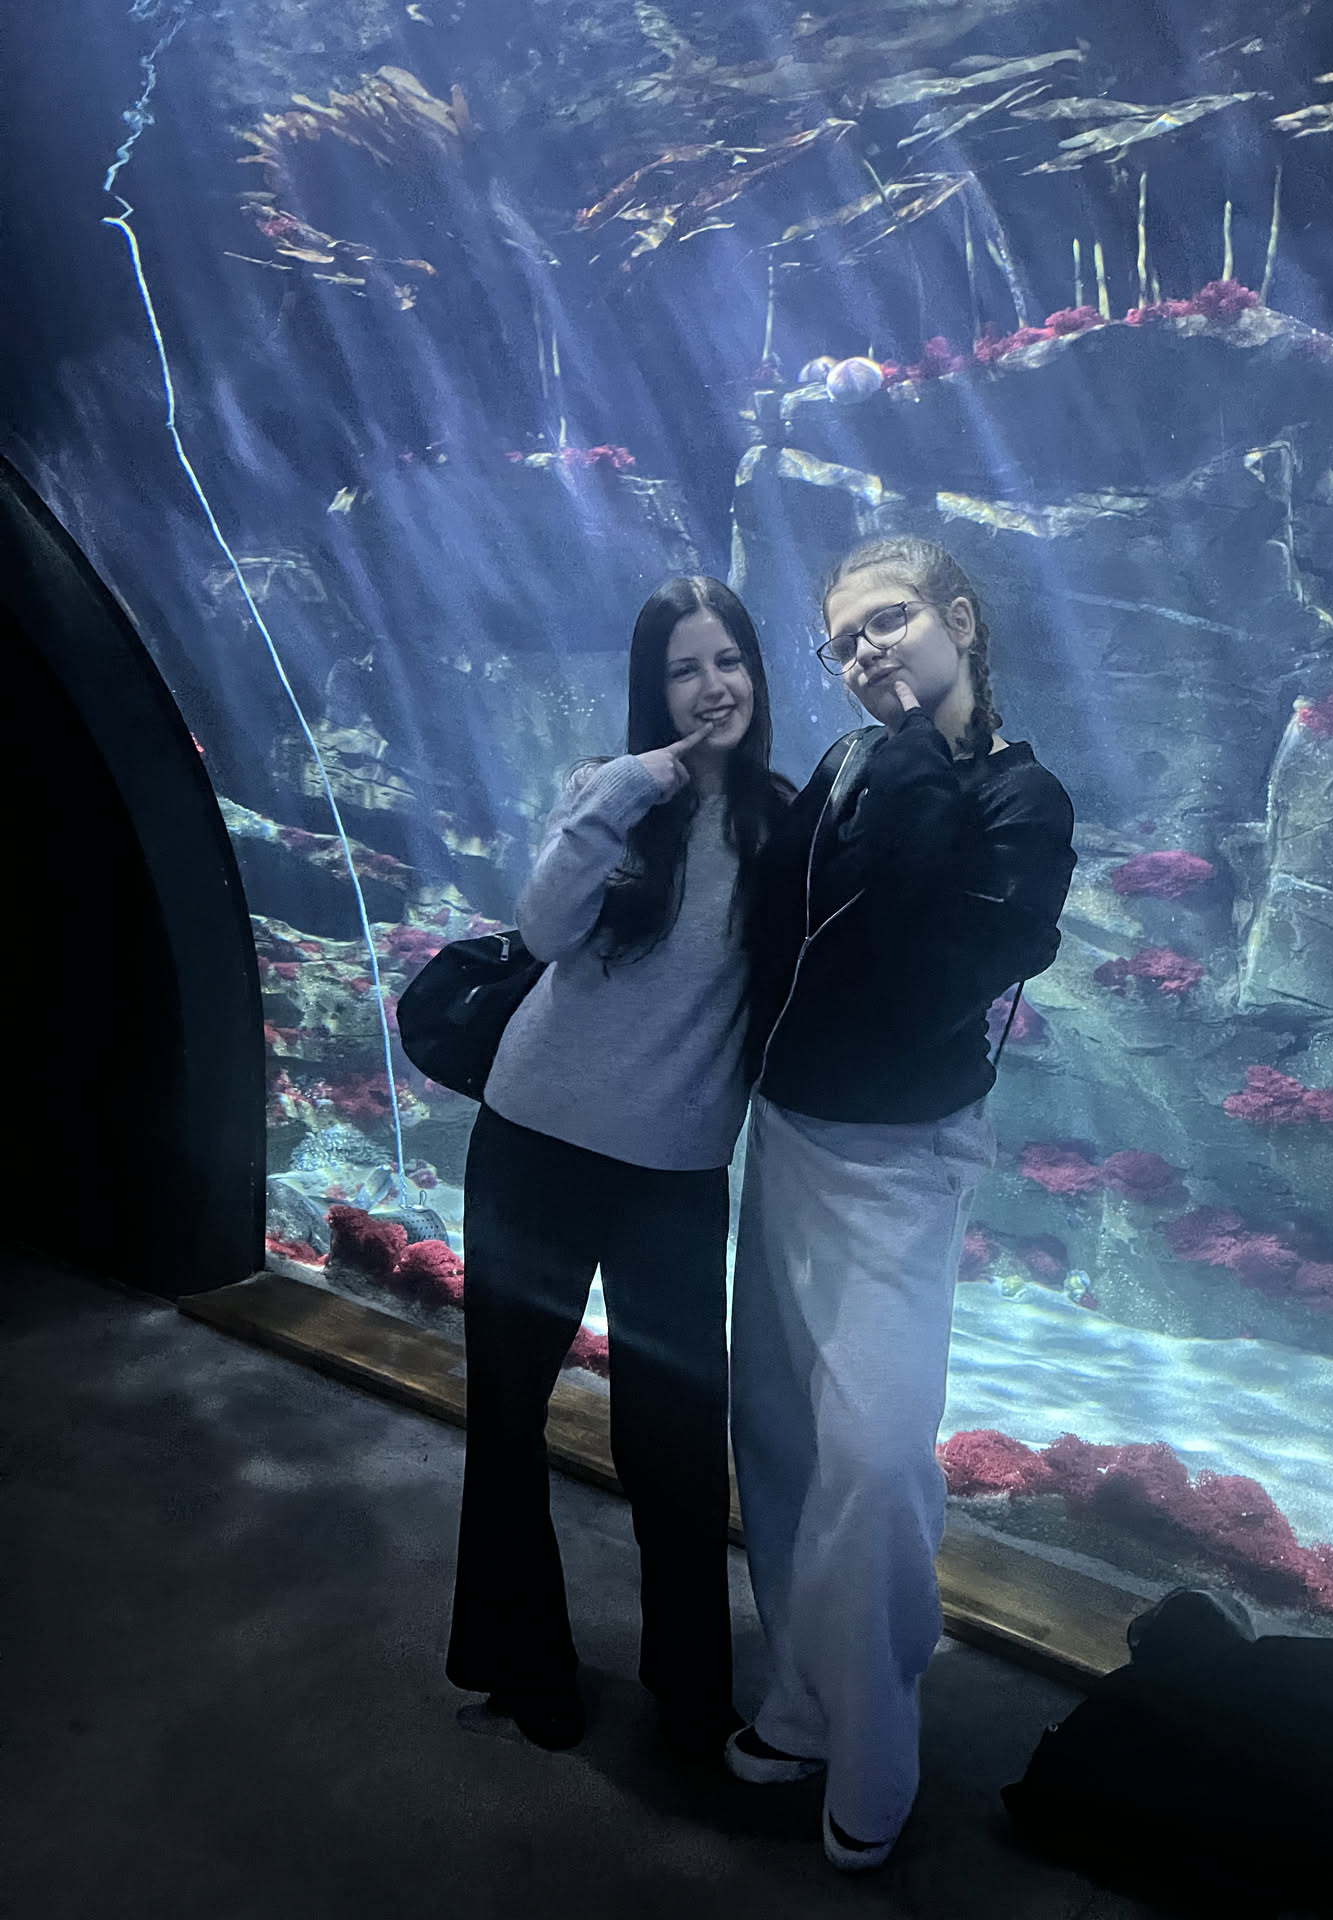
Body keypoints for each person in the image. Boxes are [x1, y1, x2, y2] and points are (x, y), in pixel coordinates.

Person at [725, 535, 1077, 1869]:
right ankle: (806, 1701)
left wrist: (921, 746)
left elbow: (930, 974)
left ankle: (877, 1747)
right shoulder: (849, 762)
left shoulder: (1023, 799)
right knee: (781, 1441)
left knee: (874, 1462)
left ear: (960, 620)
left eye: (888, 621)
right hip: (786, 1132)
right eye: (844, 640)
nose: (864, 651)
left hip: (900, 1160)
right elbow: (780, 925)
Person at [446, 575, 792, 1758]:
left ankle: (690, 1691)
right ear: (656, 689)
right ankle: (524, 1661)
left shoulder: (785, 822)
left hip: (673, 1173)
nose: (712, 687)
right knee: (507, 1415)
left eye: (728, 661)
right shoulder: (612, 791)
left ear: (757, 673)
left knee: (678, 1441)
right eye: (684, 669)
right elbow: (542, 930)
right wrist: (632, 784)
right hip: (533, 1142)